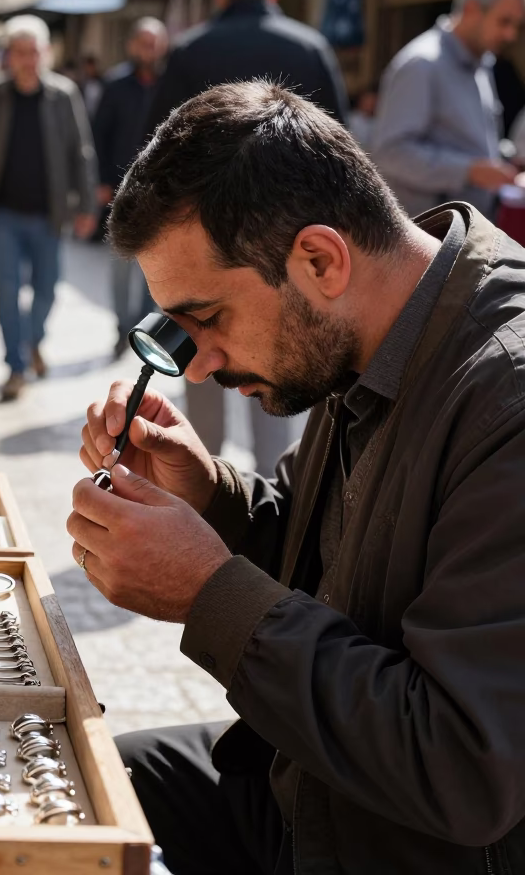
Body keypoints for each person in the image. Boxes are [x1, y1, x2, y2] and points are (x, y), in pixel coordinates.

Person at [72, 79, 525, 874]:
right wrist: (209, 495)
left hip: (402, 845)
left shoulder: (505, 397)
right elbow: (336, 562)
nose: (200, 365)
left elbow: (464, 766)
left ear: (320, 259)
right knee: (70, 795)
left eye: (208, 319)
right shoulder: (370, 325)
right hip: (306, 791)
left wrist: (207, 594)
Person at [148, 0, 347, 476]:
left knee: (202, 360)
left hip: (198, 247)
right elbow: (340, 154)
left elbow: (154, 157)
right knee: (277, 366)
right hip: (286, 248)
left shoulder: (189, 52)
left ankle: (205, 478)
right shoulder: (310, 48)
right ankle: (270, 487)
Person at [0, 15, 98, 401]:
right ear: (9, 56)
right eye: (19, 52)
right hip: (2, 214)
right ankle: (15, 366)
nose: (27, 59)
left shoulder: (63, 95)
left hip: (48, 214)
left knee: (47, 289)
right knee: (7, 290)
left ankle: (32, 340)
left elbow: (80, 152)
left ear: (44, 53)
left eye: (33, 51)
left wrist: (86, 206)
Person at [373, 0, 525, 218]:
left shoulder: (482, 64)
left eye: (517, 25)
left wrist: (506, 159)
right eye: (504, 21)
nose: (510, 35)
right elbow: (391, 153)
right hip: (428, 233)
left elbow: (468, 141)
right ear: (472, 9)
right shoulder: (422, 64)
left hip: (469, 230)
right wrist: (469, 171)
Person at [92, 17, 169, 356]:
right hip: (121, 191)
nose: (148, 50)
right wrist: (101, 181)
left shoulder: (171, 84)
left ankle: (146, 328)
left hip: (163, 193)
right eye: (143, 43)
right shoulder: (115, 85)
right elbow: (98, 136)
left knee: (158, 267)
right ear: (131, 45)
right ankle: (123, 328)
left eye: (154, 43)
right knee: (122, 264)